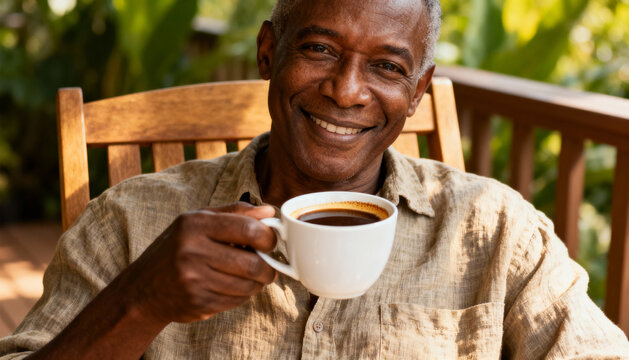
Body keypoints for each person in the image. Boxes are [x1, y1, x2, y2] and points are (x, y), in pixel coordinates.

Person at [1, 0, 629, 358]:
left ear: (417, 94)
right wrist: (138, 302)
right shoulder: (131, 220)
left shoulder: (493, 231)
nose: (346, 91)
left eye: (386, 66)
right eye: (320, 50)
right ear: (269, 52)